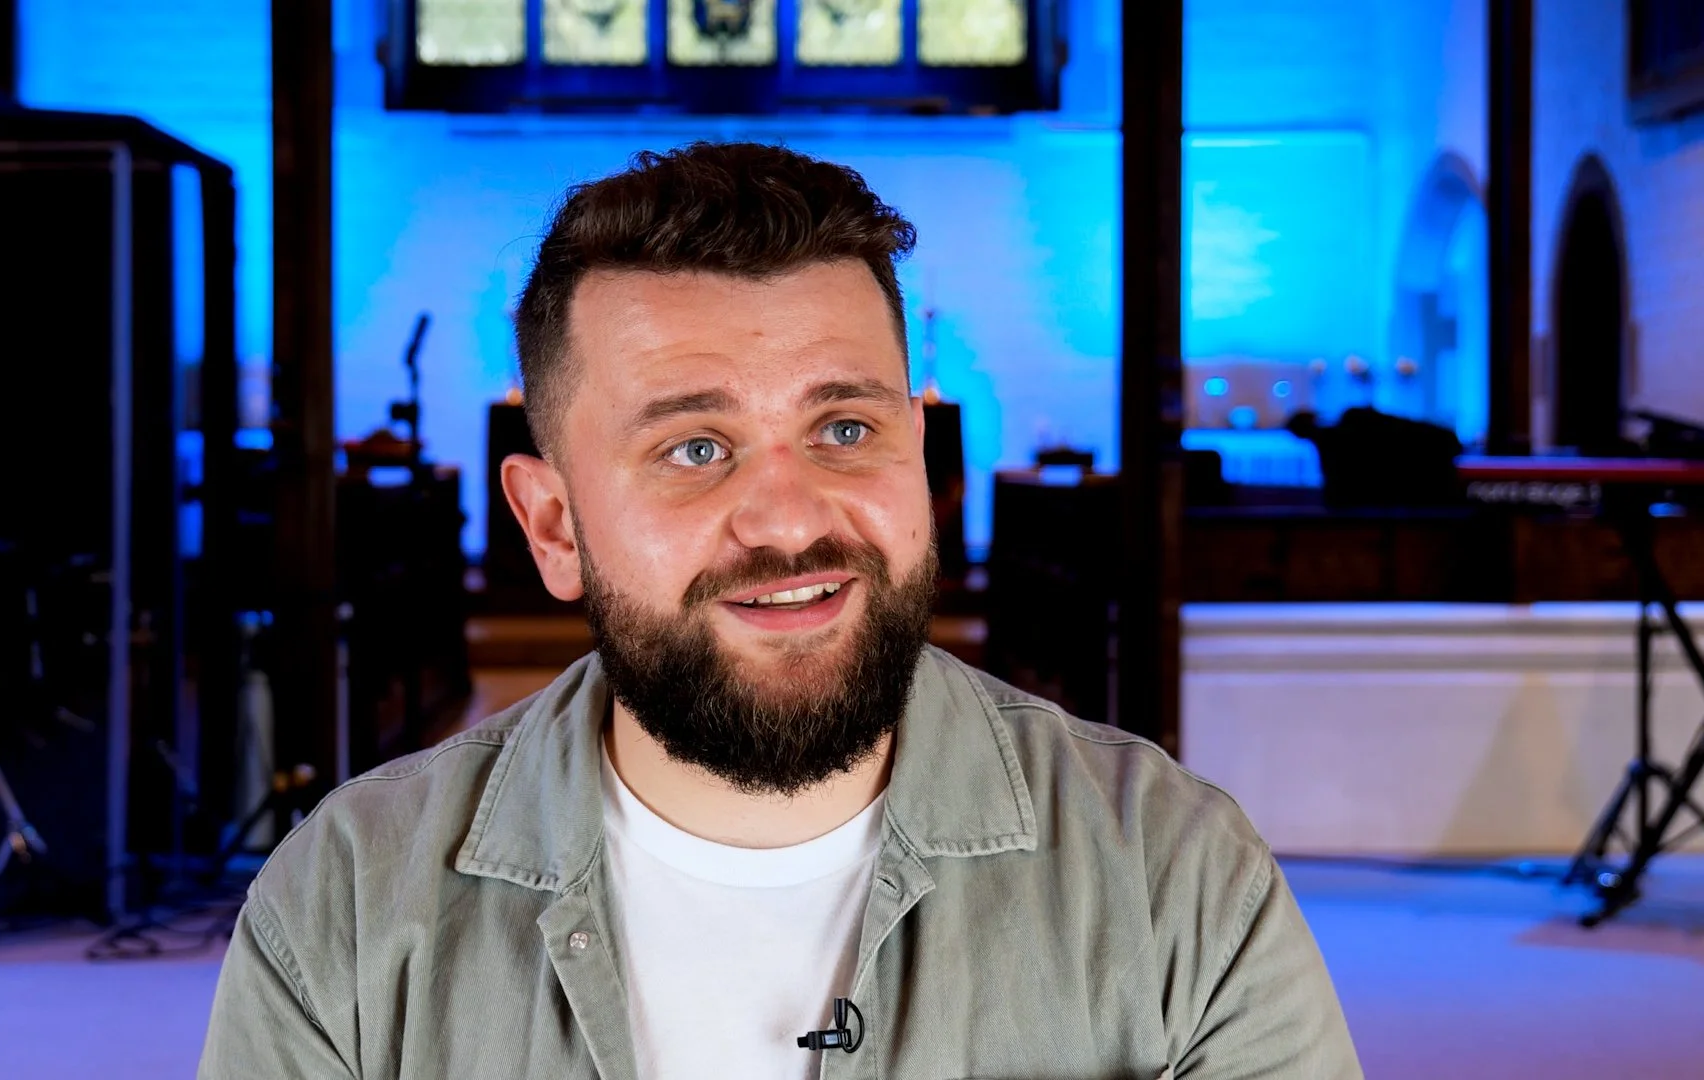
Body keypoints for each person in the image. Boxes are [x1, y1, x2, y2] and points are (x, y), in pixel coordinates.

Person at [199, 142, 1363, 1080]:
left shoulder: (1172, 872)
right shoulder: (346, 904)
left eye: (844, 429)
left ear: (925, 466)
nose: (786, 517)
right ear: (554, 527)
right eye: (694, 447)